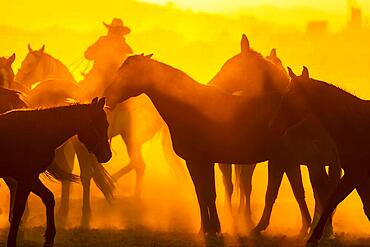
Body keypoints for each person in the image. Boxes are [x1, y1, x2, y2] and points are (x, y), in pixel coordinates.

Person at [81, 18, 133, 97]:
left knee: (84, 93)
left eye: (115, 30)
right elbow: (87, 54)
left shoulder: (122, 45)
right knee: (81, 90)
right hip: (97, 76)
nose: (111, 32)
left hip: (112, 79)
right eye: (112, 30)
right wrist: (99, 53)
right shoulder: (103, 41)